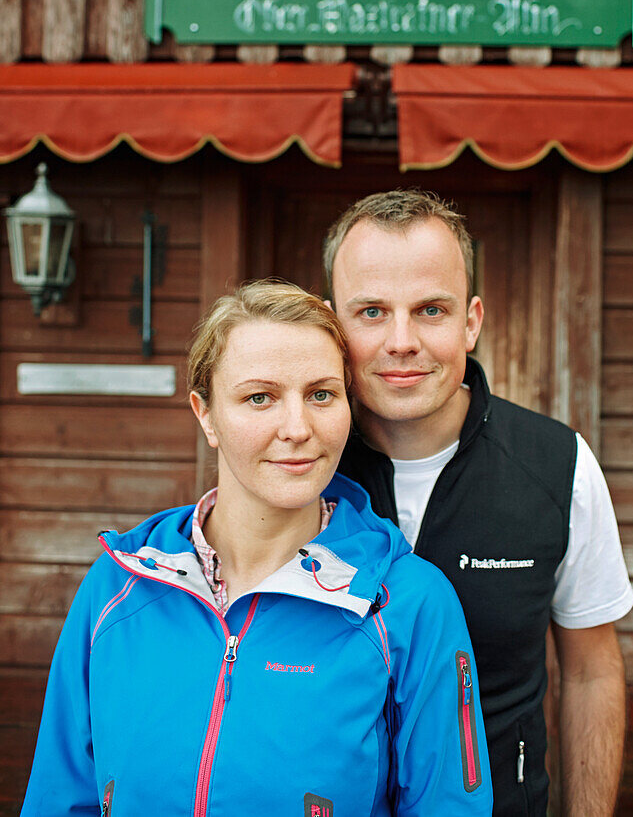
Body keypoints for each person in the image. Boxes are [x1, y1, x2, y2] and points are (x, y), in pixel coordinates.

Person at [21, 280, 493, 816]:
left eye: (321, 394)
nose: (297, 428)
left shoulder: (409, 604)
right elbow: (59, 799)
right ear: (206, 414)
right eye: (259, 397)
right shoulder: (117, 586)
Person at [324, 190, 633, 817]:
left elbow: (591, 672)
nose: (402, 340)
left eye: (430, 309)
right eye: (372, 312)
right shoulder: (294, 465)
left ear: (471, 321)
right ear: (333, 324)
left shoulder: (558, 466)